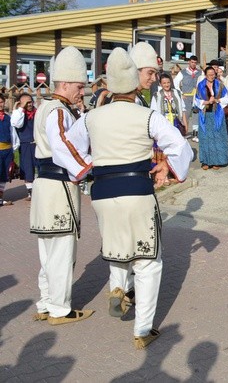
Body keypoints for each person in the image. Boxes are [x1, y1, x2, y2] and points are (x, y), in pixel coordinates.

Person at [63, 47, 193, 350]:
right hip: (137, 190)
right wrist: (167, 165)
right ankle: (143, 329)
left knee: (118, 245)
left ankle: (118, 286)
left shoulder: (92, 117)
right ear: (135, 82)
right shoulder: (147, 116)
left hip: (103, 193)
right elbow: (180, 145)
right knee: (149, 260)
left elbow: (68, 145)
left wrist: (86, 168)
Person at [30, 46, 94, 325]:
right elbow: (63, 146)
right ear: (65, 84)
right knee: (61, 250)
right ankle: (59, 309)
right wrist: (89, 168)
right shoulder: (57, 111)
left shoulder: (47, 107)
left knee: (48, 251)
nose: (82, 91)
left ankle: (46, 303)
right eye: (79, 86)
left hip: (45, 184)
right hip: (58, 186)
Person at [194, 66, 228, 169]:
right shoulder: (200, 86)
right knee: (205, 138)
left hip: (217, 114)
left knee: (217, 137)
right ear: (205, 75)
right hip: (205, 115)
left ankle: (217, 161)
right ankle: (205, 161)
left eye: (213, 74)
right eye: (209, 75)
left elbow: (226, 98)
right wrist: (207, 102)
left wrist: (217, 100)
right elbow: (196, 100)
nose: (211, 76)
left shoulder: (220, 85)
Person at [11, 93, 36, 201]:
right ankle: (31, 192)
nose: (29, 104)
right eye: (26, 102)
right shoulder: (19, 114)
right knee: (27, 168)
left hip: (38, 143)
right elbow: (17, 123)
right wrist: (20, 108)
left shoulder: (37, 112)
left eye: (30, 101)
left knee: (41, 167)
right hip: (25, 143)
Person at [173, 55, 202, 140]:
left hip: (196, 97)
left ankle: (195, 134)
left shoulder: (200, 72)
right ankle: (183, 133)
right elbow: (175, 83)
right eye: (192, 62)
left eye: (195, 63)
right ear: (189, 62)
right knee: (185, 115)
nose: (193, 64)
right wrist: (181, 94)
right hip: (186, 97)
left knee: (196, 115)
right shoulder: (183, 72)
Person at [0, 94, 20, 206]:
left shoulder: (8, 118)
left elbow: (13, 134)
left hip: (7, 151)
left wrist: (13, 148)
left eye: (2, 102)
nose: (0, 104)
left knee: (4, 175)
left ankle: (1, 198)